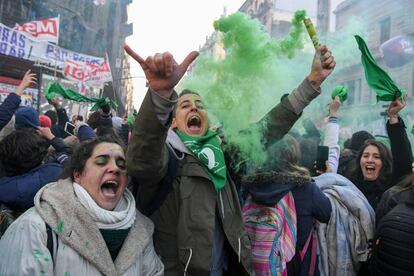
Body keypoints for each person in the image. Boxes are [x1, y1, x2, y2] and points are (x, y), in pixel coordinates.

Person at [125, 42, 335, 275]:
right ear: (173, 121)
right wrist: (161, 94)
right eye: (185, 106)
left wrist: (311, 83)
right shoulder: (166, 156)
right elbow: (142, 159)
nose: (194, 109)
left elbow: (268, 128)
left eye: (200, 106)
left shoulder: (222, 156)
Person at [0, 136, 164, 275]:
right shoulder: (35, 228)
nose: (115, 168)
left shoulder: (142, 231)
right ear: (77, 175)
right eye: (101, 161)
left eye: (122, 164)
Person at [242, 134, 332, 275]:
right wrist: (328, 176)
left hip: (255, 266)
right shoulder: (305, 188)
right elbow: (327, 213)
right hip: (295, 267)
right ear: (294, 156)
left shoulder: (250, 186)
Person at [349, 97, 413, 210]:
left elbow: (403, 159)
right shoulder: (349, 186)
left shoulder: (390, 188)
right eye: (365, 155)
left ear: (385, 162)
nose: (370, 160)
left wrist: (393, 117)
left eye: (376, 156)